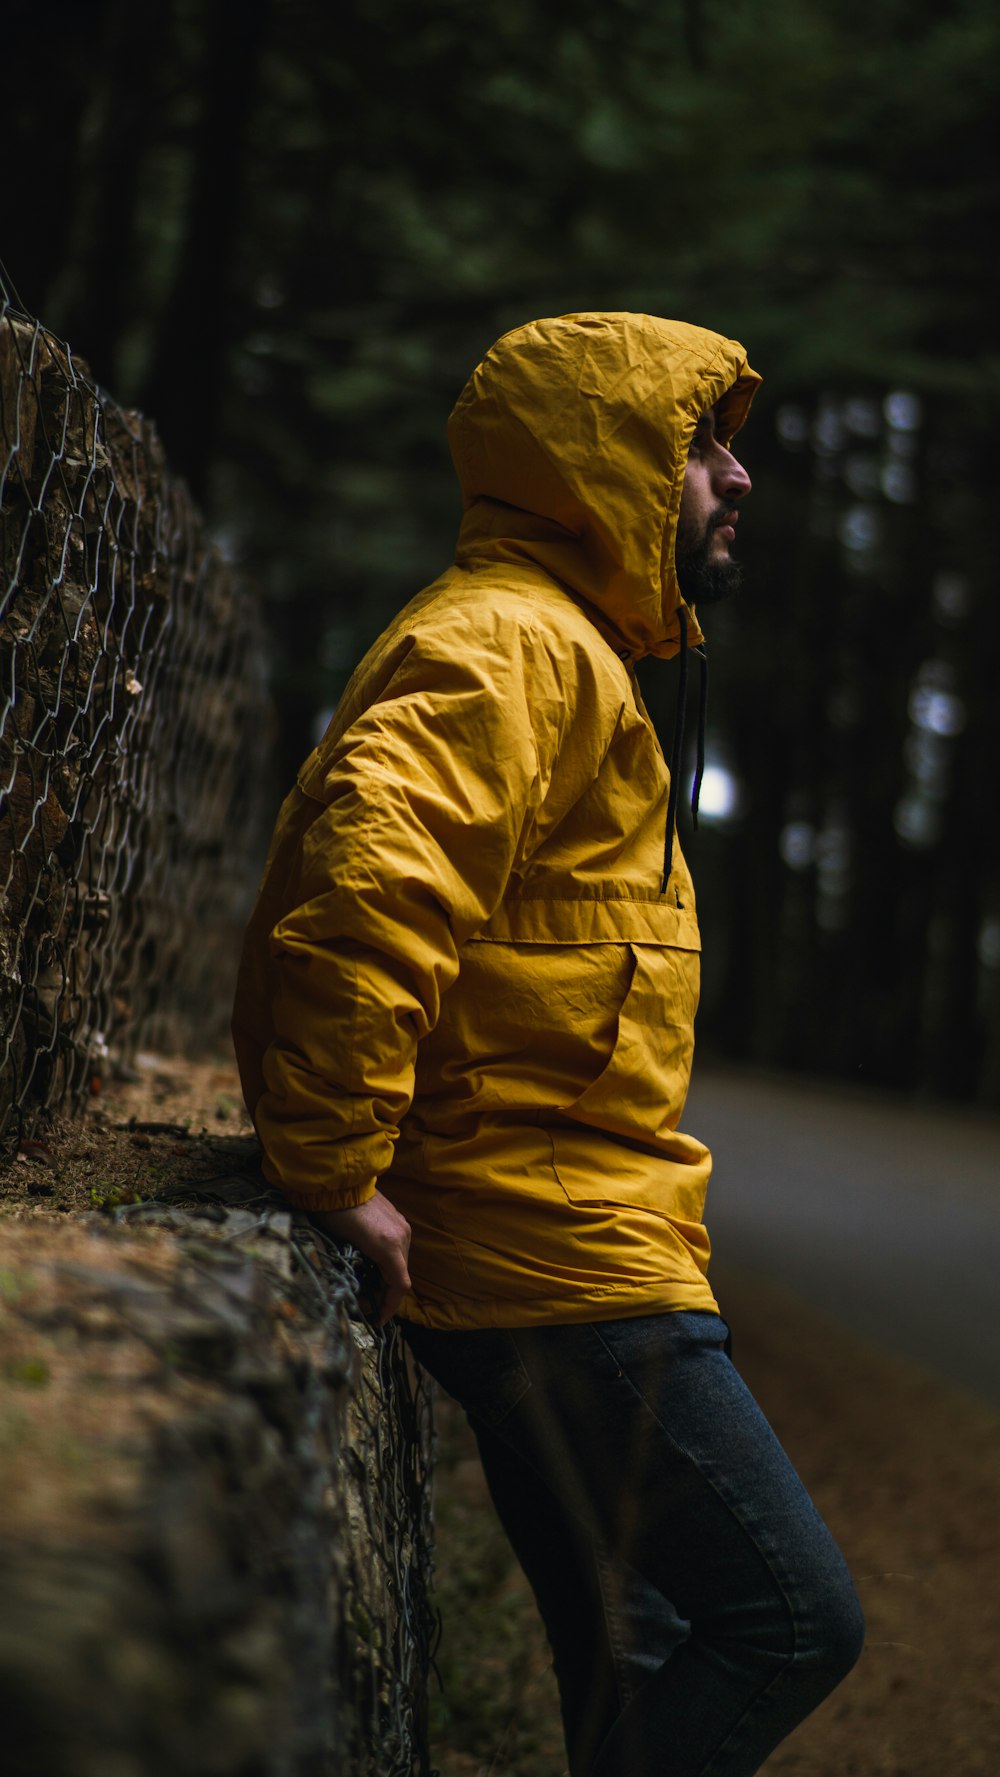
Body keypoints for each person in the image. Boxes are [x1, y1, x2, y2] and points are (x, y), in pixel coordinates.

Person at [232, 312, 864, 1777]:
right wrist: (330, 1164)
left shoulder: (556, 646)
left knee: (629, 1661)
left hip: (564, 1236)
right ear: (604, 464)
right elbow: (373, 868)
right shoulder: (514, 643)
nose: (740, 476)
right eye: (703, 442)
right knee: (792, 1619)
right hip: (556, 1264)